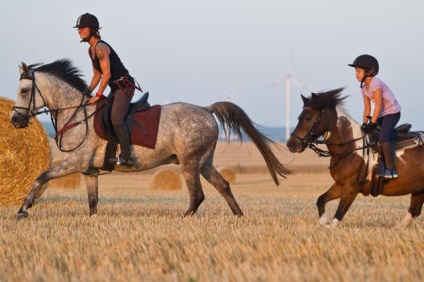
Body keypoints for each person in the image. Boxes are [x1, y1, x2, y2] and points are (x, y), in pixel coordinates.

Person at [74, 13, 140, 167]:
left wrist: (98, 94)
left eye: (82, 28)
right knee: (102, 114)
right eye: (78, 28)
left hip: (124, 87)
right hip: (115, 88)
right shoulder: (90, 51)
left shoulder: (100, 48)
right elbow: (97, 75)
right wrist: (86, 91)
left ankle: (127, 156)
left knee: (116, 118)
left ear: (92, 29)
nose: (79, 31)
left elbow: (107, 74)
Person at [348, 54, 401, 179]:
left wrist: (372, 123)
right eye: (356, 71)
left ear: (369, 72)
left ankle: (391, 170)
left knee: (383, 136)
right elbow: (367, 108)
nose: (356, 74)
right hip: (381, 114)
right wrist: (364, 124)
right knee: (370, 136)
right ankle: (378, 164)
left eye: (359, 71)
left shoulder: (375, 83)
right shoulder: (364, 88)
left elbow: (378, 104)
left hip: (392, 113)